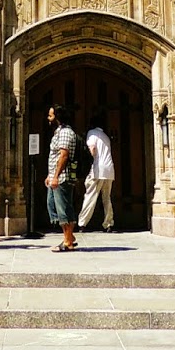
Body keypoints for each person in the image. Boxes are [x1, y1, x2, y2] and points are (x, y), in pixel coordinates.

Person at [45, 103, 78, 251]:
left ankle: (68, 242)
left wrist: (56, 176)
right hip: (56, 175)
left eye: (51, 115)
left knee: (62, 209)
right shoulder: (59, 132)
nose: (48, 118)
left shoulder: (65, 132)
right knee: (54, 205)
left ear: (57, 117)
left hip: (62, 177)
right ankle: (69, 236)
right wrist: (50, 174)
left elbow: (63, 156)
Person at [78, 113, 116, 232]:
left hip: (97, 168)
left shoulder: (92, 133)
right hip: (109, 169)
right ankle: (108, 223)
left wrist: (87, 161)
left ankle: (82, 223)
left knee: (90, 196)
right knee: (106, 197)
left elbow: (92, 149)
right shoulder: (105, 136)